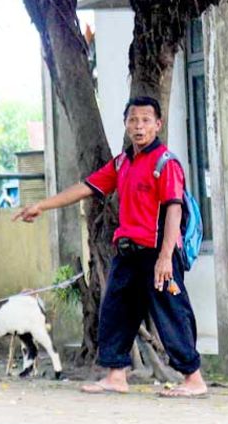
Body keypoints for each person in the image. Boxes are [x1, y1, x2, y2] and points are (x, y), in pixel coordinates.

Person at [13, 97, 208, 398]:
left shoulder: (165, 164)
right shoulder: (123, 162)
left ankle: (193, 379)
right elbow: (86, 187)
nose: (139, 126)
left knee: (171, 313)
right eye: (133, 119)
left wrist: (167, 256)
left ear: (158, 124)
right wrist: (41, 205)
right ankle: (116, 376)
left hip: (158, 253)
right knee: (115, 312)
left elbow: (174, 209)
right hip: (127, 253)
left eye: (145, 120)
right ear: (126, 124)